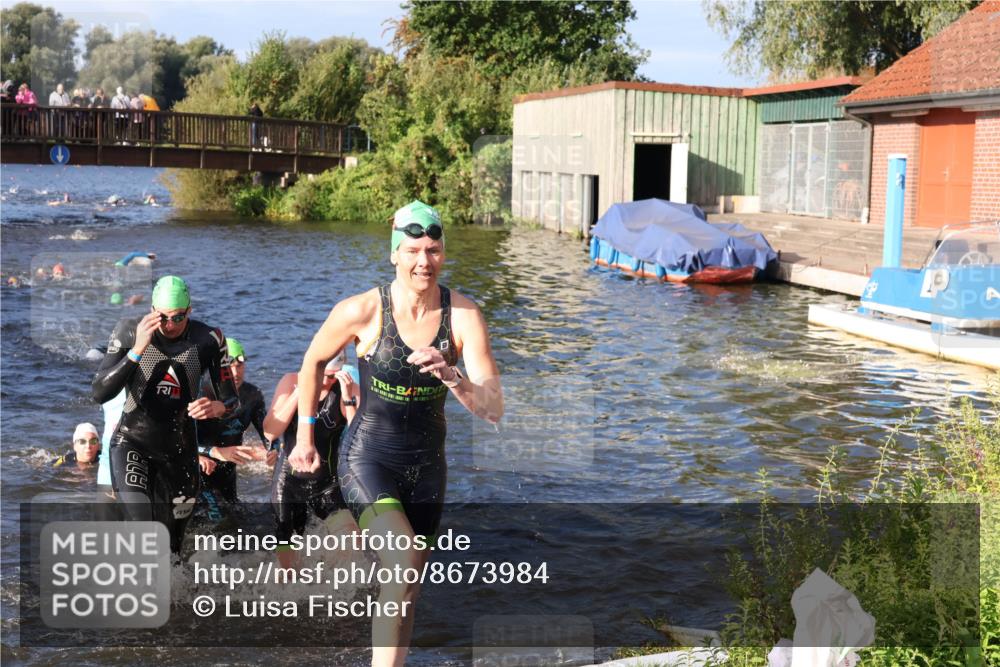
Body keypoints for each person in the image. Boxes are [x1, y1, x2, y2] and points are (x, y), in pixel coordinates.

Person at [291, 200, 503, 666]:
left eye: (433, 250)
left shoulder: (464, 317)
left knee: (407, 581)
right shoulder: (362, 311)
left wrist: (452, 376)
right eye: (412, 250)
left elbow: (493, 408)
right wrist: (306, 435)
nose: (423, 261)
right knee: (404, 563)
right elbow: (312, 362)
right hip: (367, 457)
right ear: (394, 254)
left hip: (428, 468)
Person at [91, 275, 240, 553]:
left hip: (180, 451)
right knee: (141, 528)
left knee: (173, 549)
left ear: (190, 311)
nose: (170, 325)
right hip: (132, 444)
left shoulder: (208, 339)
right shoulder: (129, 331)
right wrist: (137, 351)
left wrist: (218, 408)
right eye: (163, 317)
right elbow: (100, 391)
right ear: (151, 311)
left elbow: (232, 401)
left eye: (178, 317)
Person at [265, 352, 359, 567]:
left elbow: (359, 438)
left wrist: (347, 398)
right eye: (323, 375)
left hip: (327, 484)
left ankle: (334, 588)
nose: (327, 381)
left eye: (333, 376)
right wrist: (300, 394)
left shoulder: (346, 387)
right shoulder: (291, 382)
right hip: (288, 484)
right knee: (289, 569)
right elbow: (270, 432)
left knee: (351, 541)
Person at [196, 337, 272, 504]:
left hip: (228, 473)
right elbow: (175, 442)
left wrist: (273, 449)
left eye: (240, 365)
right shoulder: (201, 393)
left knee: (235, 520)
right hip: (199, 468)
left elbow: (266, 432)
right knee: (214, 520)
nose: (236, 372)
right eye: (230, 366)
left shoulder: (252, 395)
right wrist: (209, 453)